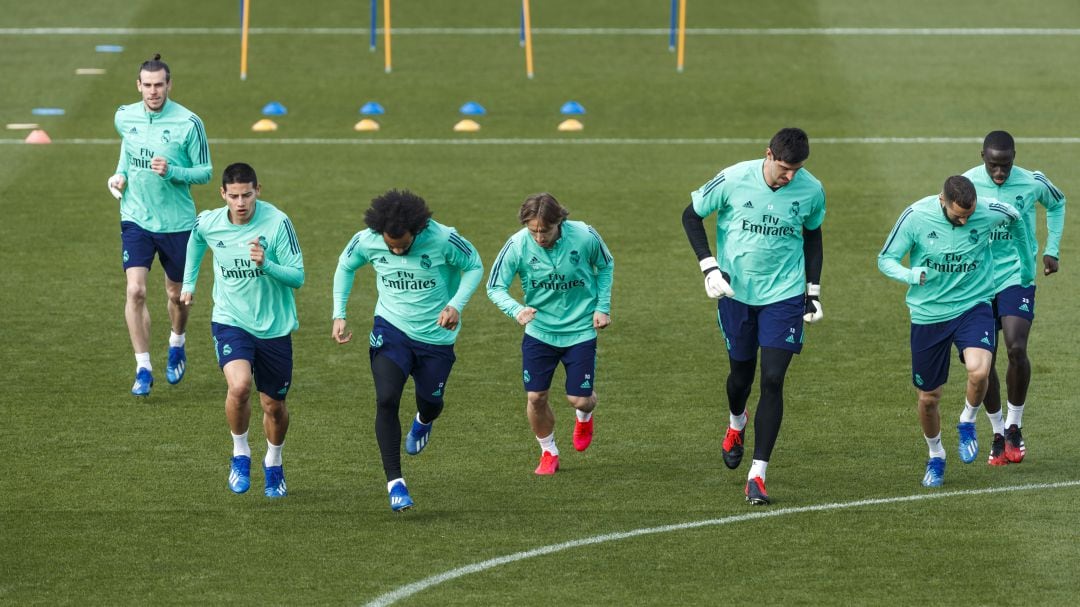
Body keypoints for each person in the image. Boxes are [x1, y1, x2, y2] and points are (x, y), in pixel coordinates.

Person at [681, 127, 826, 506]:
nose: (790, 176)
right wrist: (710, 267)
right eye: (784, 168)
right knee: (740, 378)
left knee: (773, 379)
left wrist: (812, 291)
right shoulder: (733, 178)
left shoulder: (811, 190)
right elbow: (691, 215)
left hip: (785, 295)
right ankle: (735, 423)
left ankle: (757, 474)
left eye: (796, 169)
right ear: (768, 154)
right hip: (737, 294)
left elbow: (813, 236)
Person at [332, 190, 483, 512]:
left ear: (418, 230)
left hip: (436, 336)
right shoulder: (367, 239)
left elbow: (474, 265)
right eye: (391, 246)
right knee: (386, 398)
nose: (397, 250)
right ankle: (395, 482)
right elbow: (345, 266)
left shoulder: (443, 238)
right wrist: (339, 313)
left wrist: (456, 304)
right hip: (391, 329)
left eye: (403, 244)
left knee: (431, 401)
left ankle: (424, 420)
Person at [878, 175, 1034, 488]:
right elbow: (885, 259)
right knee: (929, 399)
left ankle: (967, 421)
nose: (965, 220)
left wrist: (1026, 267)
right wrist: (910, 273)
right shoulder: (916, 216)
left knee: (979, 372)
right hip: (929, 314)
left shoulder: (990, 210)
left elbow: (1018, 221)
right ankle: (936, 455)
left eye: (970, 214)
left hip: (972, 306)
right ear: (942, 201)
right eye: (958, 215)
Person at [180, 163, 304, 499]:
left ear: (257, 191)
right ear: (222, 194)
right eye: (233, 196)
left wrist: (267, 264)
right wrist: (189, 283)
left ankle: (274, 462)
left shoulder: (278, 223)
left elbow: (298, 276)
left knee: (273, 406)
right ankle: (240, 454)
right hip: (230, 319)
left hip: (274, 326)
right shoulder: (210, 222)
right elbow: (195, 241)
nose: (240, 202)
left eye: (246, 194)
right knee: (239, 386)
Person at [486, 193, 615, 475]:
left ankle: (584, 416)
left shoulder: (584, 236)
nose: (539, 237)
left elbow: (605, 266)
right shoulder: (517, 245)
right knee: (536, 397)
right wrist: (515, 310)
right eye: (533, 230)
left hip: (580, 329)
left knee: (580, 399)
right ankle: (548, 451)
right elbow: (494, 286)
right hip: (540, 331)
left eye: (545, 230)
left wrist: (602, 307)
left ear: (560, 222)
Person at [108, 54, 212, 396]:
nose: (153, 91)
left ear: (169, 85)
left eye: (159, 85)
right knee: (135, 290)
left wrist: (174, 171)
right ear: (138, 85)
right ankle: (143, 367)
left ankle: (177, 340)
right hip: (135, 216)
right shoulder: (125, 116)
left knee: (176, 295)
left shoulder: (189, 123)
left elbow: (205, 171)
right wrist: (119, 176)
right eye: (147, 85)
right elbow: (127, 150)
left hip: (177, 222)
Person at [962, 131, 1066, 465]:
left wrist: (1051, 250)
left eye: (1005, 165)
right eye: (994, 165)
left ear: (1014, 157)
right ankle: (995, 432)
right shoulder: (966, 183)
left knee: (1016, 348)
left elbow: (1058, 202)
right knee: (984, 359)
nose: (1000, 173)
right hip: (977, 281)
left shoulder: (1032, 181)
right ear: (982, 157)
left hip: (1016, 276)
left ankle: (1014, 425)